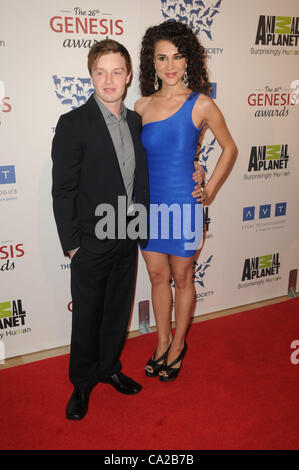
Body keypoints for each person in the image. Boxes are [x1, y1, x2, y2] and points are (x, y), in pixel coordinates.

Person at [51, 39, 150, 420]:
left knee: (117, 310)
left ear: (127, 77)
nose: (109, 80)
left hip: (127, 237)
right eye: (100, 72)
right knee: (87, 314)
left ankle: (109, 367)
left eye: (117, 72)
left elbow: (141, 174)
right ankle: (82, 383)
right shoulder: (73, 123)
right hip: (90, 243)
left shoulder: (137, 121)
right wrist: (72, 245)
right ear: (91, 75)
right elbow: (63, 190)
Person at [135, 20, 237, 382]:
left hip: (183, 204)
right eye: (161, 58)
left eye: (177, 56)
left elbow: (230, 148)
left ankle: (178, 345)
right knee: (157, 275)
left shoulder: (201, 103)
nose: (170, 65)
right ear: (152, 62)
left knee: (182, 275)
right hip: (150, 207)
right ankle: (161, 342)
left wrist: (208, 188)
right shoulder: (141, 105)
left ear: (188, 59)